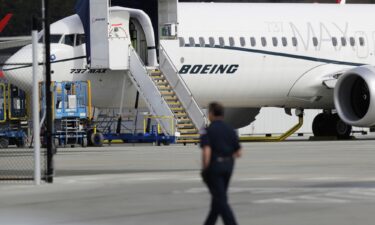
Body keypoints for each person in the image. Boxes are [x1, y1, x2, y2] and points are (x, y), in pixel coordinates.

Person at [200, 102, 242, 225]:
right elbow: (239, 152)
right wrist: (228, 158)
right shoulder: (230, 130)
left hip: (215, 167)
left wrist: (205, 168)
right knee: (218, 199)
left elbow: (207, 151)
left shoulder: (207, 131)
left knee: (220, 200)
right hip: (229, 167)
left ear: (211, 114)